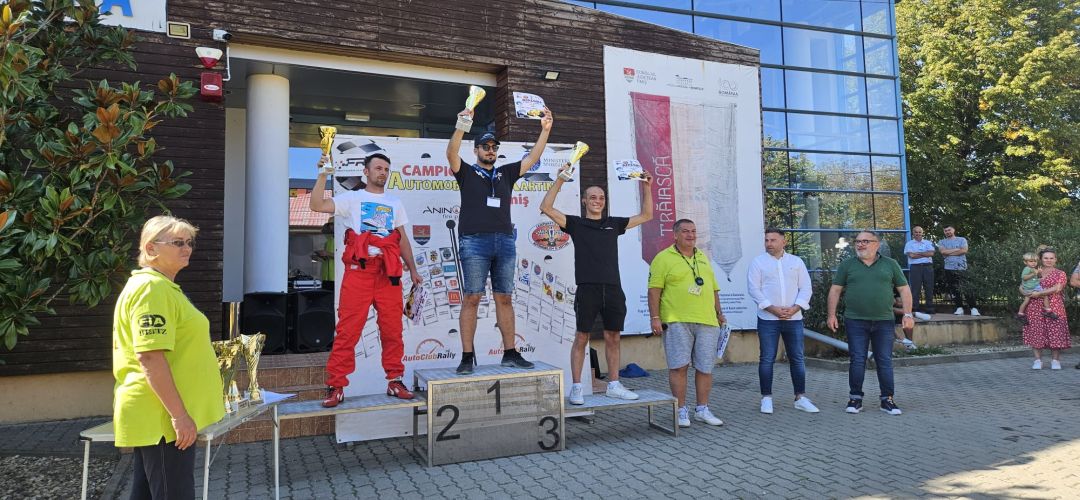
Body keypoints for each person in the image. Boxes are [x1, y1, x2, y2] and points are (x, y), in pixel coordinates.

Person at [112, 215, 224, 499]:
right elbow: (150, 357)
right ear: (151, 248)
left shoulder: (162, 287)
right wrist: (179, 416)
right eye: (177, 242)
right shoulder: (152, 289)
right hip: (162, 418)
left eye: (189, 242)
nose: (186, 248)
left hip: (161, 417)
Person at [446, 106, 553, 374]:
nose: (490, 150)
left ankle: (510, 353)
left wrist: (545, 130)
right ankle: (467, 356)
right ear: (476, 151)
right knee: (472, 297)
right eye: (485, 147)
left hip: (505, 241)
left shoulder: (505, 173)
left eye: (494, 147)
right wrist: (462, 124)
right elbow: (451, 153)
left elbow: (533, 157)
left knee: (504, 298)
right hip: (474, 241)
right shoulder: (466, 172)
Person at [311, 153, 423, 407]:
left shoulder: (394, 202)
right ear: (366, 171)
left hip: (388, 274)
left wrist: (413, 269)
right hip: (359, 272)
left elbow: (402, 239)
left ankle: (395, 380)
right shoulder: (352, 198)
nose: (383, 172)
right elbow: (316, 205)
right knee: (348, 331)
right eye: (378, 168)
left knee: (393, 330)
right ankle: (336, 385)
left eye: (386, 169)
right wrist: (322, 174)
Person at [539, 165, 653, 404]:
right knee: (582, 337)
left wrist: (646, 187)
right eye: (592, 197)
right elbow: (546, 207)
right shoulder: (575, 224)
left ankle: (614, 385)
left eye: (601, 198)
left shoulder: (614, 224)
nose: (597, 201)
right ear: (584, 201)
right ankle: (577, 387)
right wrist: (560, 179)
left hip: (612, 288)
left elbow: (646, 216)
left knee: (613, 337)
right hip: (587, 288)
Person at [648, 219, 726, 427]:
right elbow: (654, 291)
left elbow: (713, 289)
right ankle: (681, 410)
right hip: (677, 321)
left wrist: (719, 313)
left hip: (707, 321)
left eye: (693, 231)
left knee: (705, 367)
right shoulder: (663, 258)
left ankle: (702, 409)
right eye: (685, 231)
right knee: (679, 366)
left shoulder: (703, 257)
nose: (690, 235)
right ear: (675, 235)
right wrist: (655, 318)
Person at [827, 230, 914, 416]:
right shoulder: (847, 265)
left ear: (876, 244)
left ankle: (887, 400)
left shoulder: (890, 264)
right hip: (855, 321)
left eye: (865, 241)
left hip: (884, 321)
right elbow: (835, 290)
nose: (860, 244)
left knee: (884, 360)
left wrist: (908, 314)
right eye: (857, 241)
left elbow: (904, 290)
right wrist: (831, 315)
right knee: (857, 360)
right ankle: (855, 399)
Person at [746, 229, 819, 414]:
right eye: (766, 240)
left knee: (797, 358)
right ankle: (766, 398)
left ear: (784, 242)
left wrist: (795, 308)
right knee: (767, 358)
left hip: (794, 318)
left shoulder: (796, 262)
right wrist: (772, 309)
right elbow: (754, 289)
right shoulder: (758, 262)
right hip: (768, 319)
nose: (769, 243)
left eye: (773, 240)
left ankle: (800, 398)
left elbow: (806, 288)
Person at [1022, 248, 1070, 370]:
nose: (1049, 260)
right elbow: (1022, 285)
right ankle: (1037, 360)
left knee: (1056, 332)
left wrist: (1040, 293)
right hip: (1034, 306)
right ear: (1041, 259)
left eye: (1051, 258)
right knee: (1036, 331)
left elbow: (1057, 288)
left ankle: (1055, 361)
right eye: (1046, 258)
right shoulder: (1034, 271)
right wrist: (1023, 292)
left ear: (1055, 259)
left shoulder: (1060, 273)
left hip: (1054, 306)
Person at [939, 225, 980, 316]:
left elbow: (964, 251)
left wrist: (949, 252)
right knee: (954, 289)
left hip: (962, 267)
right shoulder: (942, 242)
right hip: (949, 268)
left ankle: (973, 308)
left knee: (966, 288)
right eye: (945, 231)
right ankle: (959, 308)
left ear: (953, 230)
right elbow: (943, 252)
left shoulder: (962, 240)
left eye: (949, 230)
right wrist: (957, 249)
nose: (947, 232)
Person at [903, 226, 936, 319]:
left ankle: (929, 308)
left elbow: (931, 253)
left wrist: (917, 253)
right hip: (915, 267)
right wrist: (925, 254)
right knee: (915, 288)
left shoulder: (928, 242)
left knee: (929, 287)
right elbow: (911, 256)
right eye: (916, 232)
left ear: (922, 233)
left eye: (919, 232)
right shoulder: (909, 244)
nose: (918, 234)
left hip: (927, 267)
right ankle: (915, 308)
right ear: (913, 233)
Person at [1017, 252, 1055, 324]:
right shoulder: (1027, 269)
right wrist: (1033, 273)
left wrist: (1039, 272)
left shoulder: (1033, 269)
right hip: (1031, 288)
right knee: (1045, 296)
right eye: (1031, 261)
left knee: (1026, 301)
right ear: (1025, 262)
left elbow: (1038, 277)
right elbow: (1024, 278)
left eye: (1035, 261)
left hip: (1033, 287)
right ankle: (1048, 310)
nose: (1033, 263)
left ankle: (1020, 313)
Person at [313, 219, 335, 289]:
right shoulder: (328, 242)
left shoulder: (341, 240)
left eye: (332, 224)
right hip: (326, 277)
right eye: (330, 225)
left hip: (336, 276)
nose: (331, 227)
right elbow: (326, 259)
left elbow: (343, 256)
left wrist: (328, 253)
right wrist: (319, 258)